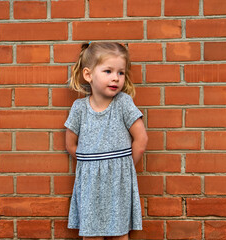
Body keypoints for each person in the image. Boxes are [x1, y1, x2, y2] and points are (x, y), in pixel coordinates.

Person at [65, 42, 148, 240]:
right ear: (88, 75)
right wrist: (91, 165)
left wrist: (123, 166)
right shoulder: (79, 108)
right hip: (90, 182)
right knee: (91, 234)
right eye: (108, 71)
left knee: (120, 234)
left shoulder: (123, 103)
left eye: (121, 72)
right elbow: (70, 144)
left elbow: (141, 139)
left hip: (118, 180)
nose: (115, 78)